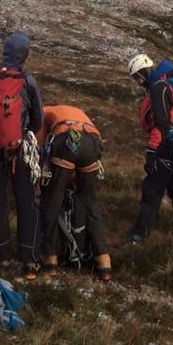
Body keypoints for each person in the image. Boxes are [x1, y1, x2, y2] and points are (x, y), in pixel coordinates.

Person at [0, 31, 43, 279]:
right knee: (27, 202)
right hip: (19, 151)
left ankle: (0, 254)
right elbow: (38, 120)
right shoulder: (27, 81)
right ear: (24, 54)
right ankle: (30, 260)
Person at [125, 53, 173, 245]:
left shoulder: (158, 89)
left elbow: (162, 123)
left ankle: (138, 237)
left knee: (152, 191)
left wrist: (151, 152)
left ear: (146, 71)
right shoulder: (165, 85)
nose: (138, 82)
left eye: (138, 77)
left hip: (165, 147)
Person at [38, 105, 112, 281]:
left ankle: (50, 259)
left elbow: (41, 148)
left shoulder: (43, 112)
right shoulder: (73, 110)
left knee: (52, 199)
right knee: (89, 200)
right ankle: (104, 263)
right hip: (93, 142)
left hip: (67, 140)